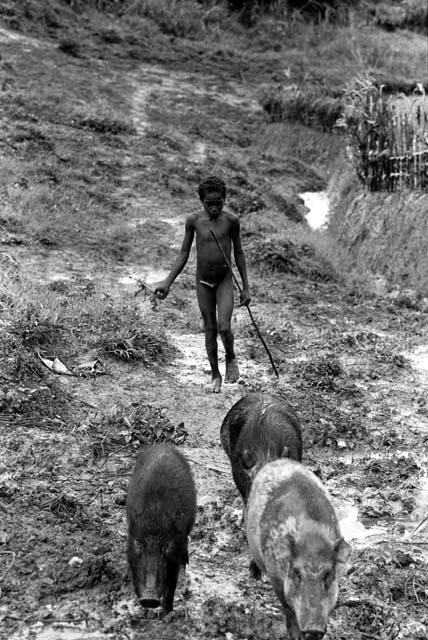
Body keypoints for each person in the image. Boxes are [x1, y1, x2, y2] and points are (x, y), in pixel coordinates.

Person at [155, 176, 251, 393]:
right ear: (202, 202)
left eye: (219, 202)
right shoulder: (194, 221)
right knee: (210, 329)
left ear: (225, 199)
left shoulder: (231, 221)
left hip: (224, 280)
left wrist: (245, 286)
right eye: (210, 203)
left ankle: (231, 356)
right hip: (203, 282)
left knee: (224, 327)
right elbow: (183, 253)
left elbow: (239, 252)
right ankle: (215, 374)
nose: (215, 207)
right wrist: (167, 282)